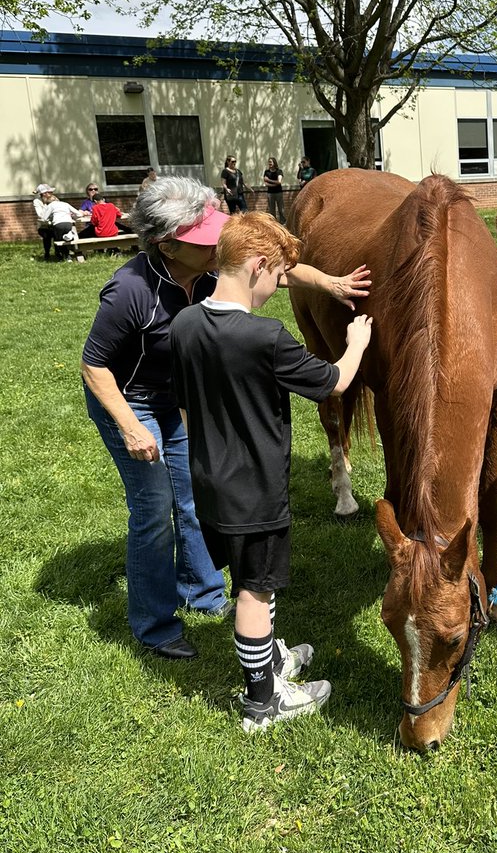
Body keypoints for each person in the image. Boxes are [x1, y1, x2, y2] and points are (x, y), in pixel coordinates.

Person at [81, 177, 372, 660]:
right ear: (168, 245)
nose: (218, 243)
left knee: (194, 495)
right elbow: (94, 364)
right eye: (204, 237)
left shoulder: (213, 271)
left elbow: (281, 271)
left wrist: (330, 282)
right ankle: (156, 626)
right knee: (154, 511)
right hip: (129, 400)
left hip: (179, 396)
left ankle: (206, 592)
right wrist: (130, 425)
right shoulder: (129, 292)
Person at [170, 213, 373, 731]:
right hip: (255, 488)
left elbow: (184, 403)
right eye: (278, 275)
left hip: (210, 481)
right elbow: (333, 383)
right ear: (257, 265)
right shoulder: (265, 337)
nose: (279, 286)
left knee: (247, 576)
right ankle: (264, 701)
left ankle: (272, 660)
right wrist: (356, 343)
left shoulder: (186, 323)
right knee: (255, 591)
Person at [35, 188, 86, 260]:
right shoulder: (65, 204)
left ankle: (65, 256)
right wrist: (72, 216)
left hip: (58, 224)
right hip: (69, 224)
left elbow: (44, 218)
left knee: (59, 240)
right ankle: (68, 238)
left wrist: (51, 218)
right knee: (64, 238)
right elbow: (79, 214)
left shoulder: (51, 205)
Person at [33, 184, 54, 261]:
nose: (51, 193)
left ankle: (60, 253)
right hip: (43, 225)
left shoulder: (54, 199)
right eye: (49, 192)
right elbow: (40, 215)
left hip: (54, 223)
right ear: (44, 193)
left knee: (59, 234)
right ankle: (47, 253)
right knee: (46, 236)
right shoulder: (37, 201)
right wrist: (47, 205)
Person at [263, 156, 285, 222]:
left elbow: (279, 181)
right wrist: (275, 184)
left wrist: (269, 180)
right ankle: (273, 222)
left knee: (281, 209)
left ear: (274, 163)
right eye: (268, 162)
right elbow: (266, 183)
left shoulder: (279, 171)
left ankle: (283, 222)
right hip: (270, 193)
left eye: (270, 162)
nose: (269, 163)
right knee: (271, 210)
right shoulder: (266, 172)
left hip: (278, 192)